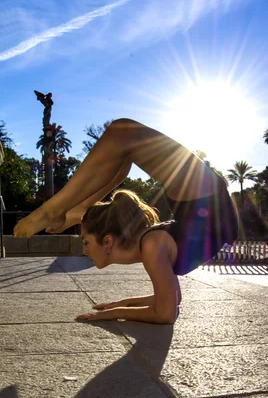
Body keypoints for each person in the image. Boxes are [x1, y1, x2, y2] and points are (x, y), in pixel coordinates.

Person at [13, 118, 238, 324]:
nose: (84, 250)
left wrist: (116, 312)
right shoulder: (151, 246)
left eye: (86, 241)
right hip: (204, 203)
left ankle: (58, 209)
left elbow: (166, 311)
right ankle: (75, 209)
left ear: (108, 241)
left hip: (203, 203)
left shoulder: (150, 246)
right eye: (85, 242)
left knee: (123, 137)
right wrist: (124, 303)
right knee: (122, 136)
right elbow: (171, 301)